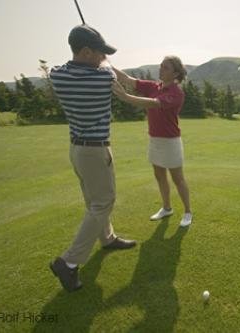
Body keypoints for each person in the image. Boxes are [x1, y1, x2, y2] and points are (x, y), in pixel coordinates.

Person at [48, 24, 137, 292]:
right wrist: (105, 63)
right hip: (96, 150)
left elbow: (69, 66)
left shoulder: (57, 76)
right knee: (103, 203)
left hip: (76, 149)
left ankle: (107, 238)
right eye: (99, 52)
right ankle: (69, 262)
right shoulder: (103, 78)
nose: (103, 57)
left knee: (93, 201)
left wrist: (98, 56)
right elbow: (112, 74)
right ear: (85, 51)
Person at [111, 56, 193, 227]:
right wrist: (106, 64)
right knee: (159, 175)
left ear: (175, 73)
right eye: (161, 66)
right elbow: (126, 79)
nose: (161, 69)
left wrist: (126, 97)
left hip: (171, 142)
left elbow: (154, 103)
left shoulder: (176, 93)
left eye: (166, 67)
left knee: (178, 178)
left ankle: (187, 212)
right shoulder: (153, 86)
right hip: (154, 139)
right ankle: (167, 208)